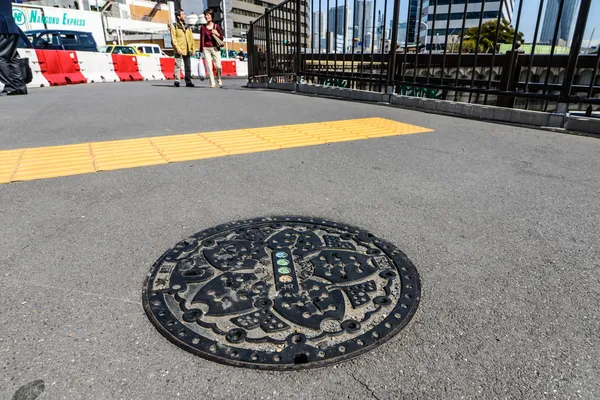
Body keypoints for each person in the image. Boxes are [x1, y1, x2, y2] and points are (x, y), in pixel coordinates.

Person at [0, 1, 27, 96]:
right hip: (12, 28)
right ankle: (19, 86)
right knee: (12, 58)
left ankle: (11, 86)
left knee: (1, 57)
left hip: (2, 28)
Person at [169, 9, 195, 88]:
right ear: (178, 16)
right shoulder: (174, 26)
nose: (185, 16)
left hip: (187, 49)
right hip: (179, 49)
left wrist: (193, 48)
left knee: (188, 66)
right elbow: (174, 39)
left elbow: (191, 38)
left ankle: (188, 81)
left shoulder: (188, 27)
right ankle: (177, 80)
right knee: (178, 65)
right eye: (183, 14)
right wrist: (177, 48)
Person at [200, 9, 224, 88]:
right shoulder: (203, 27)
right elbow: (202, 39)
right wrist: (201, 50)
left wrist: (216, 33)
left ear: (212, 16)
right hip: (206, 48)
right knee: (209, 66)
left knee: (218, 66)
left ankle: (219, 77)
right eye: (206, 15)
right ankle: (212, 82)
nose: (207, 16)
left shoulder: (216, 26)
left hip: (215, 48)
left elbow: (221, 38)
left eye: (208, 15)